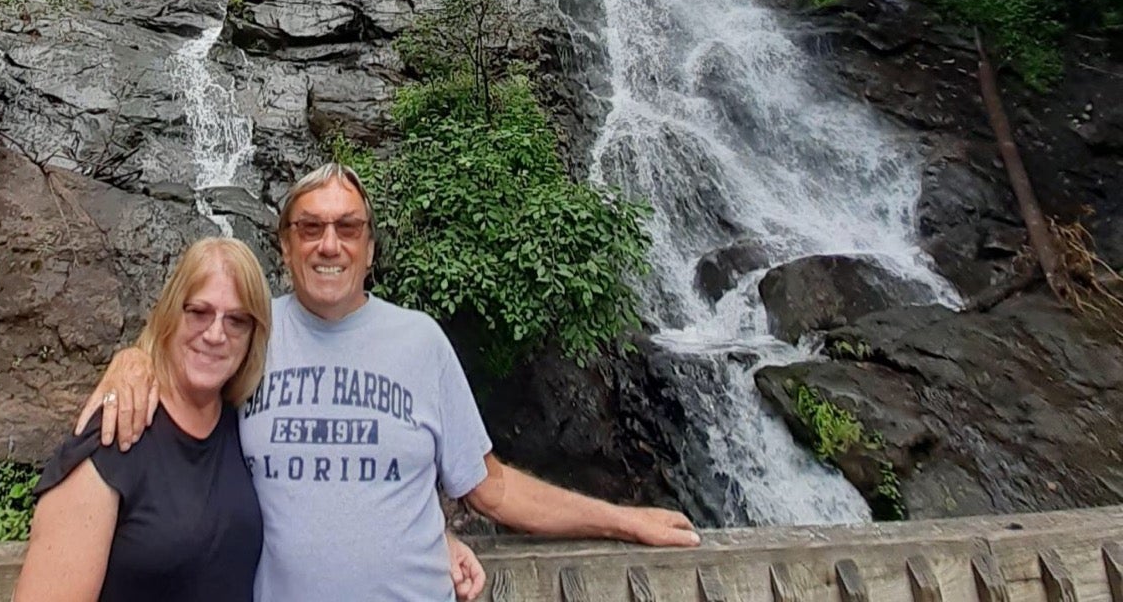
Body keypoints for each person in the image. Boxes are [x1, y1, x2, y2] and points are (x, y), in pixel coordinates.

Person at [78, 163, 699, 602]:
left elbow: (494, 487)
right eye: (310, 228)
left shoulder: (421, 341)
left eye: (348, 228)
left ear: (370, 249)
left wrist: (623, 522)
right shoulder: (249, 334)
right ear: (285, 246)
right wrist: (134, 358)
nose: (330, 244)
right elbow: (186, 373)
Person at [16, 237, 270, 602]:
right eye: (199, 312)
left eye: (237, 321)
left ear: (253, 335)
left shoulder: (243, 423)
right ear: (170, 312)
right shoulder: (115, 432)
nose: (215, 335)